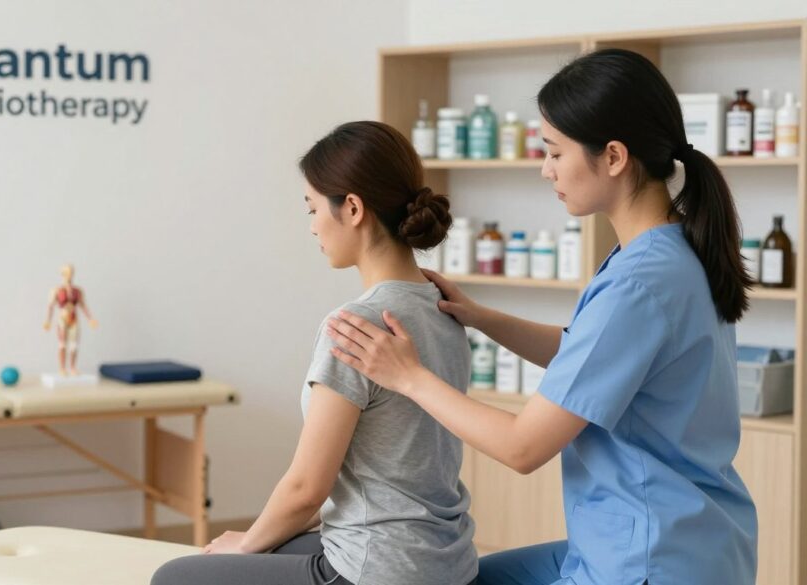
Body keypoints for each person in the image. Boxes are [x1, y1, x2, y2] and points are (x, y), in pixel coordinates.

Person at [327, 49, 758, 585]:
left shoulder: (640, 284)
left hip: (651, 558)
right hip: (688, 535)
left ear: (615, 157)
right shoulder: (669, 249)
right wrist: (481, 317)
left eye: (555, 152)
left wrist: (409, 378)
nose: (545, 169)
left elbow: (522, 447)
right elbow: (589, 353)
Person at [152, 121, 479, 585]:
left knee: (176, 577)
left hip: (378, 570)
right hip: (447, 562)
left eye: (312, 208)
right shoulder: (446, 307)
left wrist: (245, 544)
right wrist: (259, 540)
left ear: (351, 208)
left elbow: (308, 489)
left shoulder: (354, 326)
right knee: (273, 543)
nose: (311, 227)